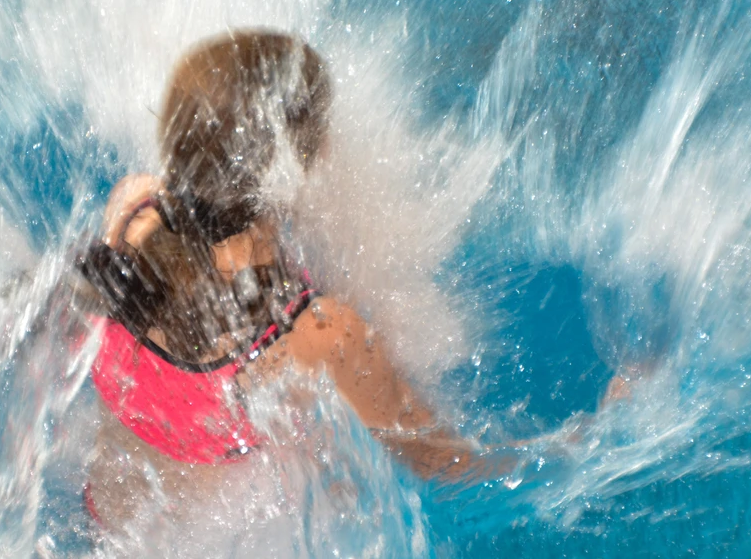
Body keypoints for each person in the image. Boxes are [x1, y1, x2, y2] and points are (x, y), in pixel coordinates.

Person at [73, 31, 495, 530]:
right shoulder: (319, 334)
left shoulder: (131, 212)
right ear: (290, 166)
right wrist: (576, 448)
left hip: (101, 524)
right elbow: (447, 466)